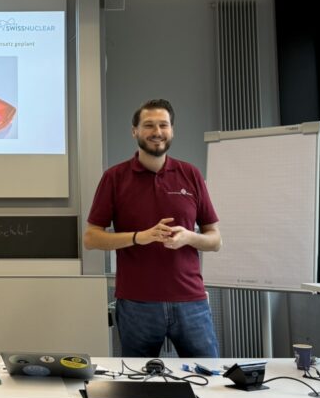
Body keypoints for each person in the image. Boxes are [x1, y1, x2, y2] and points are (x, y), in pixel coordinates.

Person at [83, 98, 222, 357]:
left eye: (163, 125)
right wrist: (139, 237)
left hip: (191, 301)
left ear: (172, 130)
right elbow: (91, 238)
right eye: (148, 125)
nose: (157, 132)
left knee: (208, 376)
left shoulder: (190, 174)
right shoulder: (115, 177)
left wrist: (189, 237)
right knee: (138, 379)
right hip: (137, 304)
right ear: (134, 131)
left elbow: (215, 240)